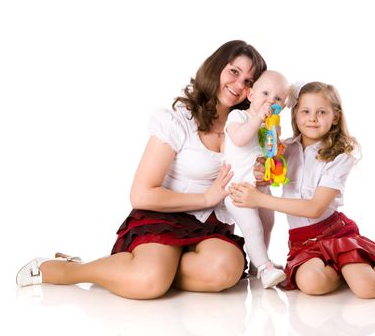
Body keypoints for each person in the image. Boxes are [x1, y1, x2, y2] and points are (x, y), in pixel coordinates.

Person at [16, 40, 267, 299]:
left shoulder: (249, 129)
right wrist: (205, 197)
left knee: (223, 271)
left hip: (211, 226)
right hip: (165, 217)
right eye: (234, 72)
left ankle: (147, 270)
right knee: (149, 282)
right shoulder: (179, 120)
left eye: (249, 81)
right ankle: (73, 270)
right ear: (216, 68)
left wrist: (259, 178)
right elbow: (141, 194)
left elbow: (248, 183)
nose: (239, 85)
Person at [229, 82, 375, 298]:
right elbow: (263, 165)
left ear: (336, 117)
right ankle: (350, 270)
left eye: (321, 112)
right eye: (305, 111)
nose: (312, 118)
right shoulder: (286, 149)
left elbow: (314, 208)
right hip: (302, 241)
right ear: (294, 116)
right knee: (311, 284)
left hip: (334, 234)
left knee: (367, 289)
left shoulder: (339, 156)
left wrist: (258, 199)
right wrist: (260, 176)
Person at [217, 70, 290, 288]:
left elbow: (271, 154)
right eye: (265, 93)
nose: (270, 101)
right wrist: (259, 119)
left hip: (259, 189)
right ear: (250, 95)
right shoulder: (238, 117)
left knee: (268, 222)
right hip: (237, 189)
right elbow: (239, 139)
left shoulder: (271, 125)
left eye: (277, 98)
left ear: (283, 106)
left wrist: (278, 144)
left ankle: (258, 264)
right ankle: (266, 268)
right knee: (252, 226)